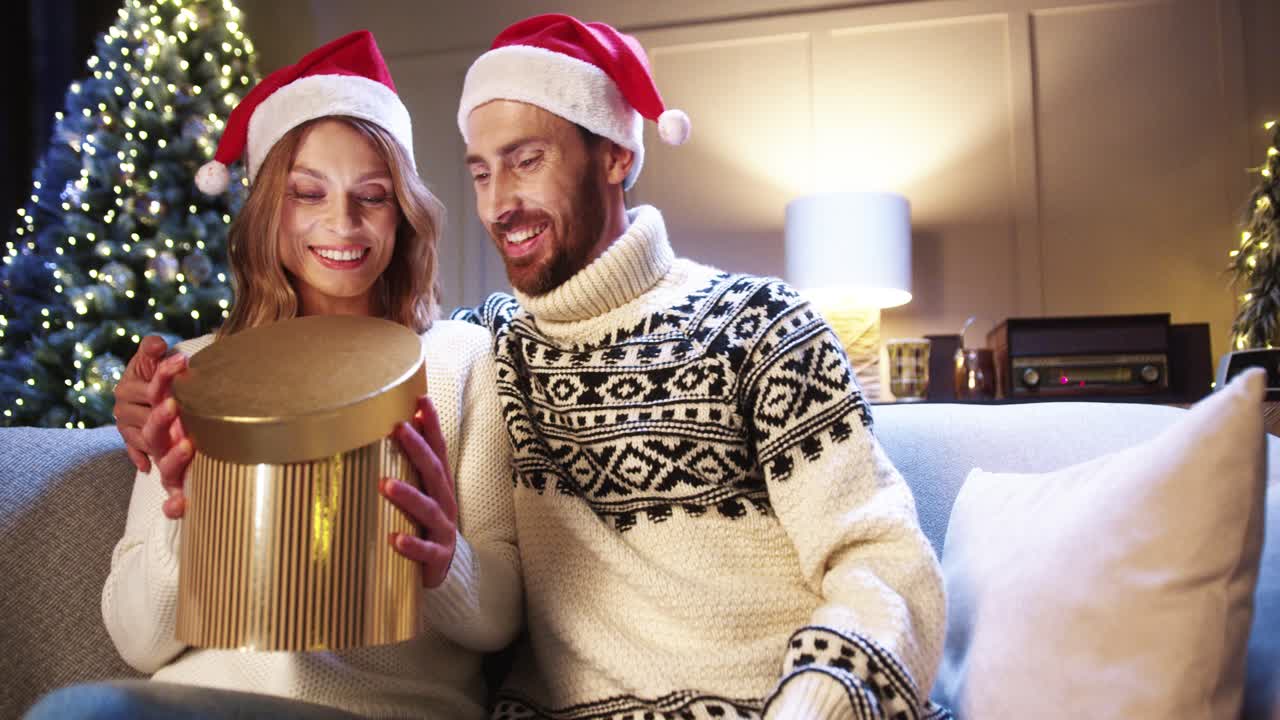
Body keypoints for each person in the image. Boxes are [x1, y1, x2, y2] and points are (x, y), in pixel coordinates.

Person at [114, 14, 950, 719]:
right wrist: (144, 413)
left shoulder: (758, 324)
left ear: (617, 154)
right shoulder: (499, 342)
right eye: (480, 170)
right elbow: (343, 364)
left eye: (527, 160)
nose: (498, 203)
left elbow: (887, 560)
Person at [28, 31, 520, 720]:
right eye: (308, 193)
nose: (341, 223)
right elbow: (139, 644)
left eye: (372, 196)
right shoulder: (194, 370)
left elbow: (498, 618)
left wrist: (445, 563)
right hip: (197, 701)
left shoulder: (460, 359)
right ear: (266, 208)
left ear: (404, 211)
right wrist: (185, 517)